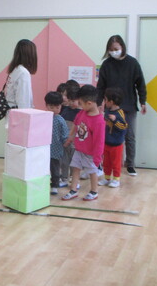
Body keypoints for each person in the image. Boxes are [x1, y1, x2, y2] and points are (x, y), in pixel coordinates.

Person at [96, 35, 147, 176]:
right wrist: (99, 103)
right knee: (108, 136)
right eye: (111, 49)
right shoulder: (106, 64)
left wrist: (143, 101)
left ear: (122, 47)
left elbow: (140, 84)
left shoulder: (132, 63)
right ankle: (106, 165)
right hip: (110, 107)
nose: (113, 51)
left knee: (129, 136)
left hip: (129, 106)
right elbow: (100, 86)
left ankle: (130, 165)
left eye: (116, 49)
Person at [62, 85, 105, 202]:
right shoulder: (82, 113)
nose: (80, 106)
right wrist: (70, 137)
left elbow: (99, 142)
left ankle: (94, 191)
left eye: (81, 103)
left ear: (89, 103)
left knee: (92, 172)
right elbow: (76, 124)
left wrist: (97, 158)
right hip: (79, 150)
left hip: (90, 153)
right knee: (75, 168)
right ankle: (73, 190)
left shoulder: (99, 121)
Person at [101, 88, 128, 188]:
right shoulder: (107, 110)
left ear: (111, 102)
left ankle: (116, 179)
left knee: (116, 163)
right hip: (107, 141)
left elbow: (124, 127)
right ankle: (107, 178)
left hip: (116, 144)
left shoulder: (120, 113)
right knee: (106, 162)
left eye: (106, 100)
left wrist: (115, 121)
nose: (104, 102)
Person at [4, 39, 37, 116]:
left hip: (12, 114)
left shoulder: (15, 70)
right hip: (20, 116)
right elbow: (23, 101)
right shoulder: (23, 73)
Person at [44, 91, 69, 195]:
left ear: (61, 106)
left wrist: (65, 143)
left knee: (55, 168)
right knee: (43, 167)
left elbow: (65, 134)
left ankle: (54, 185)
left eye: (57, 107)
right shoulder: (43, 117)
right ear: (46, 105)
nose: (54, 109)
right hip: (44, 148)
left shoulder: (60, 120)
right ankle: (44, 183)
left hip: (56, 149)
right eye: (51, 107)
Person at [59, 80, 80, 187]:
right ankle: (64, 178)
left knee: (74, 162)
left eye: (73, 101)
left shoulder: (81, 113)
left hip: (75, 143)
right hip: (64, 141)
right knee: (64, 161)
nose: (71, 103)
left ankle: (74, 179)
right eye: (70, 100)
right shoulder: (65, 110)